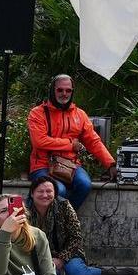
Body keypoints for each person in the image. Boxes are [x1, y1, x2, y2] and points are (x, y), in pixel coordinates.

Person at [26, 177, 138, 275]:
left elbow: (76, 237)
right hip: (39, 256)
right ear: (32, 193)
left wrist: (61, 259)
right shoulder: (25, 210)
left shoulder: (64, 206)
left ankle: (113, 273)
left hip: (68, 253)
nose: (45, 195)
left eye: (49, 191)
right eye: (40, 191)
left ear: (55, 193)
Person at [28, 74, 116, 208]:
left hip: (71, 165)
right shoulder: (37, 113)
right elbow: (40, 142)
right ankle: (49, 223)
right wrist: (70, 145)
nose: (64, 93)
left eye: (68, 90)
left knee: (85, 185)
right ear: (52, 90)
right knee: (59, 190)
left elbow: (94, 141)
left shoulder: (80, 114)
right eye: (60, 90)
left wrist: (111, 164)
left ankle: (64, 222)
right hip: (43, 165)